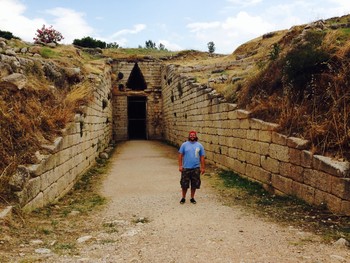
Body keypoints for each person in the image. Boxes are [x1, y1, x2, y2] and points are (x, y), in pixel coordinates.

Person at [178, 130, 205, 204]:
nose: (192, 136)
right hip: (186, 168)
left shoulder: (199, 145)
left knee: (194, 184)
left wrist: (203, 167)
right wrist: (180, 166)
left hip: (196, 168)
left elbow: (202, 157)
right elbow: (180, 155)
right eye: (191, 135)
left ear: (196, 136)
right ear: (189, 136)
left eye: (193, 135)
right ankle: (183, 197)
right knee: (184, 184)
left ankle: (192, 198)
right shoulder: (184, 145)